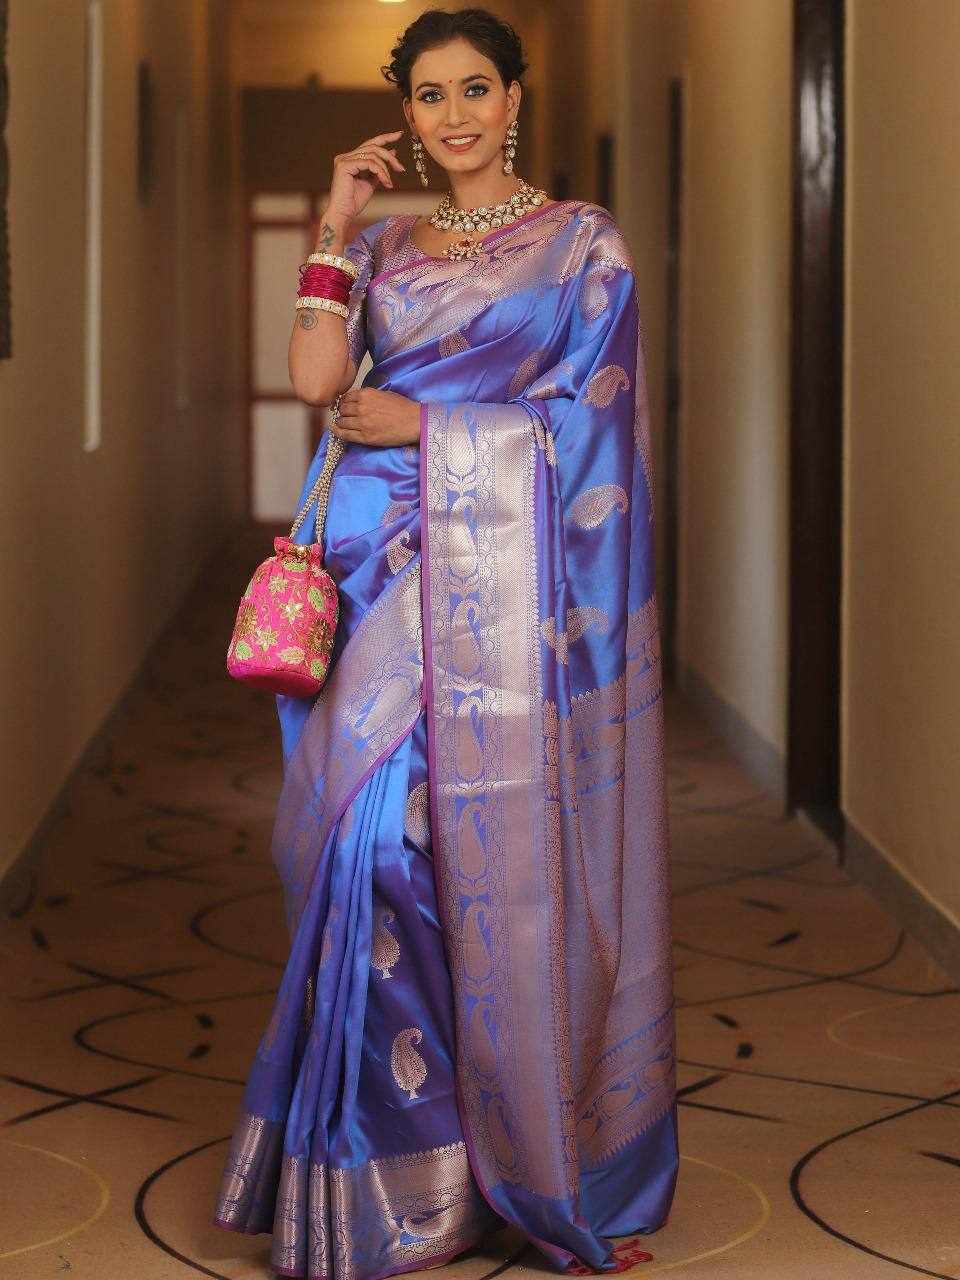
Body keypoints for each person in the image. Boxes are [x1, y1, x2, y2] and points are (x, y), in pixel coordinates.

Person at [213, 9, 678, 1279]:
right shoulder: (384, 245)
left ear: (516, 97)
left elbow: (595, 429)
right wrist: (331, 225)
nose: (455, 115)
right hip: (375, 579)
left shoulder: (582, 247)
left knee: (473, 862)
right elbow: (318, 381)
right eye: (430, 95)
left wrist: (431, 424)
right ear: (406, 114)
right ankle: (388, 1177)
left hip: (505, 595)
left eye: (477, 89)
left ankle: (515, 1161)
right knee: (366, 857)